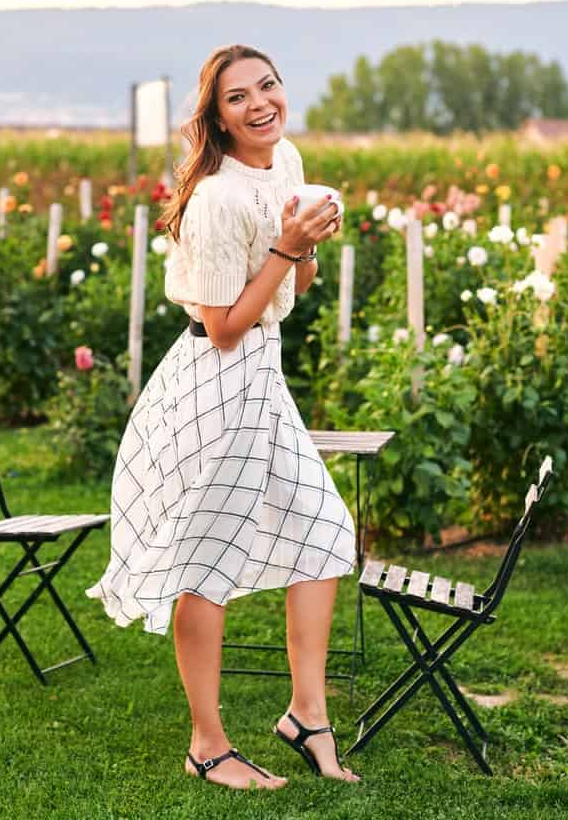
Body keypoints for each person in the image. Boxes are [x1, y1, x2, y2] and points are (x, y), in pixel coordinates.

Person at [86, 44, 360, 790]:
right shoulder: (214, 198)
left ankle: (307, 714)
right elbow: (225, 324)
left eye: (267, 86)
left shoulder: (289, 161)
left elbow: (287, 293)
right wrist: (285, 245)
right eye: (238, 97)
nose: (260, 103)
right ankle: (208, 744)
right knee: (204, 564)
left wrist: (306, 248)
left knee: (325, 533)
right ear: (217, 116)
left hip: (262, 375)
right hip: (215, 381)